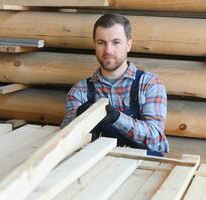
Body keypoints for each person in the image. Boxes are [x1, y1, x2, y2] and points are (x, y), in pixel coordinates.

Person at [61, 13, 169, 156]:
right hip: (95, 168)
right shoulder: (80, 90)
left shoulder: (150, 84)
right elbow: (64, 137)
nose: (108, 50)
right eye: (101, 42)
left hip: (143, 169)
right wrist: (77, 117)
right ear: (95, 44)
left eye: (116, 42)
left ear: (128, 45)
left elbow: (155, 139)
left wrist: (117, 118)